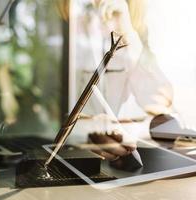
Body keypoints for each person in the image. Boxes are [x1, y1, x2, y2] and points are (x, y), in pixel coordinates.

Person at [73, 0, 173, 160]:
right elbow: (51, 111)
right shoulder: (72, 27)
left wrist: (127, 32)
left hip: (127, 157)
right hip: (79, 157)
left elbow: (158, 101)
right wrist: (86, 128)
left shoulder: (139, 29)